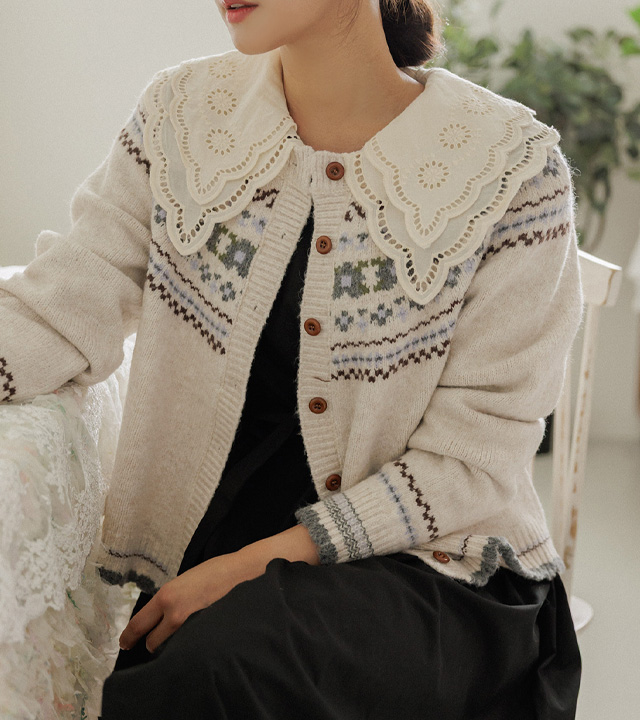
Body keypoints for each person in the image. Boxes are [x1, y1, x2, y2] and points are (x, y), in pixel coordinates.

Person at [0, 0, 583, 717]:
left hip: (435, 574)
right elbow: (61, 303)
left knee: (217, 669)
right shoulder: (183, 114)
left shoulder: (513, 170)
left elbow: (473, 457)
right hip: (225, 575)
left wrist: (254, 565)